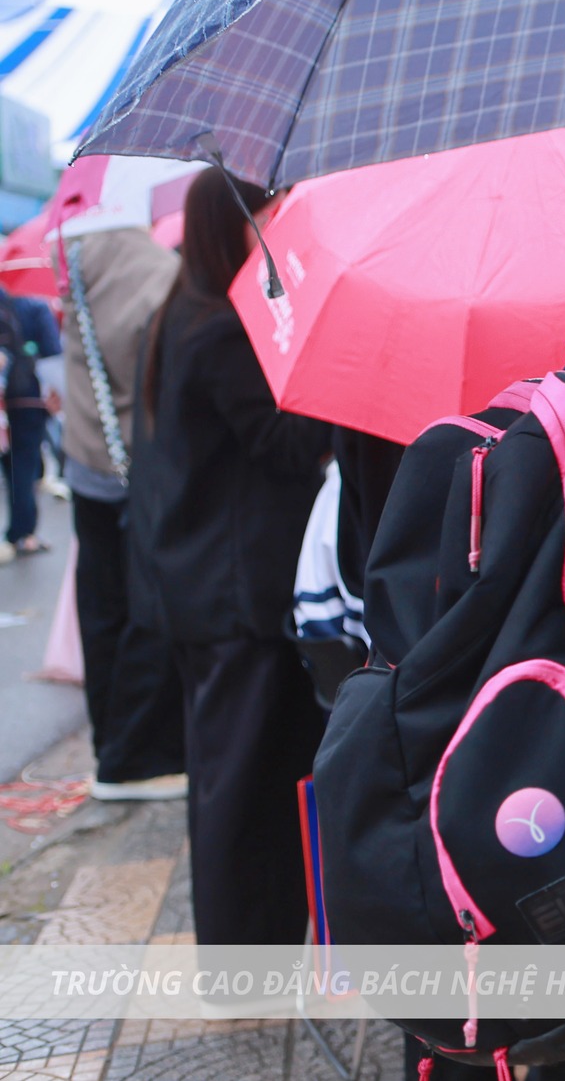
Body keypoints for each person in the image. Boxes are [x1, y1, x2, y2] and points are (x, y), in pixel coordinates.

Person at [128, 167, 333, 949]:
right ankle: (244, 951)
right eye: (265, 219)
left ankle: (252, 940)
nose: (272, 234)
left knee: (233, 777)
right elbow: (284, 447)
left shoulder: (182, 314)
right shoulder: (218, 329)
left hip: (204, 590)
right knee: (239, 784)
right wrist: (327, 376)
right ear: (231, 227)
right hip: (232, 597)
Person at [59, 225, 187, 801]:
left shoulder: (80, 276)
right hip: (140, 471)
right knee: (149, 612)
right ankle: (133, 757)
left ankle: (108, 746)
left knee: (102, 611)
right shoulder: (149, 274)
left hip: (87, 465)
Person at [0, 283, 62, 556]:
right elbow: (52, 353)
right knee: (23, 468)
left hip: (3, 402)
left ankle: (16, 533)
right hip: (27, 400)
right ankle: (23, 534)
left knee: (9, 467)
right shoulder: (33, 307)